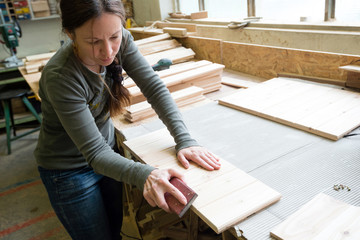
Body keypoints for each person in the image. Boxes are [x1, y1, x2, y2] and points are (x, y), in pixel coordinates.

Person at [34, 0, 221, 239]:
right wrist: (146, 174)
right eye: (93, 42)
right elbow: (94, 154)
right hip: (68, 172)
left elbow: (153, 87)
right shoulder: (61, 76)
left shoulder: (120, 38)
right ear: (70, 34)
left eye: (114, 37)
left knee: (115, 231)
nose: (108, 51)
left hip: (108, 155)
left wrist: (184, 139)